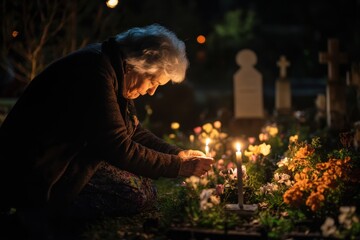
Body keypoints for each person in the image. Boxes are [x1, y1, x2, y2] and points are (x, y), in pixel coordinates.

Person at [0, 24, 213, 238]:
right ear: (137, 64)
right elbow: (117, 146)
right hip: (40, 169)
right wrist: (178, 167)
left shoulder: (114, 68)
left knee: (144, 187)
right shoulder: (94, 72)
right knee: (136, 194)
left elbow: (133, 131)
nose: (151, 91)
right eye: (152, 81)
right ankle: (42, 211)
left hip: (73, 159)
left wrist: (176, 154)